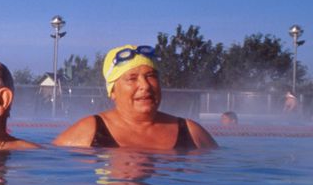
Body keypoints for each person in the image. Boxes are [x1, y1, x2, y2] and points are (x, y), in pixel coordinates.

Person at [53, 44, 217, 150]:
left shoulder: (191, 132)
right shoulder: (89, 131)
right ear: (112, 91)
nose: (145, 86)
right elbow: (51, 158)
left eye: (151, 76)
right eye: (132, 78)